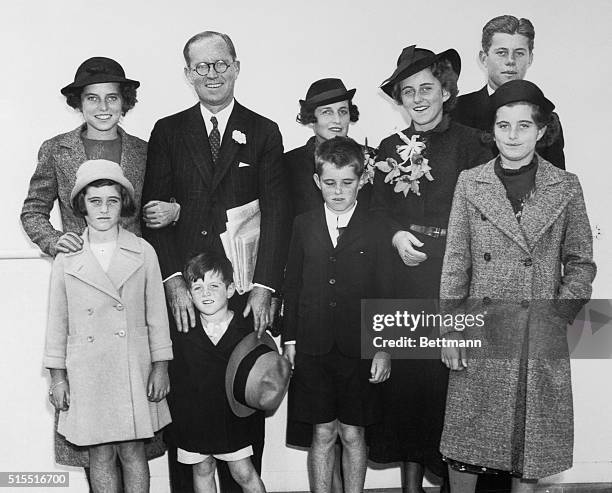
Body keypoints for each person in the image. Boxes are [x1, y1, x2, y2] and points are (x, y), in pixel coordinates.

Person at [141, 31, 290, 493]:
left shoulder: (264, 131)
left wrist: (265, 285)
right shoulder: (168, 131)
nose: (212, 74)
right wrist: (171, 280)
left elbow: (279, 213)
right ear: (188, 74)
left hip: (242, 296)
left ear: (237, 67)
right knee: (189, 410)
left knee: (243, 404)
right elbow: (153, 214)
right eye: (202, 66)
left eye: (221, 64)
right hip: (188, 296)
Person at [439, 79, 596, 493]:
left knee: (529, 452)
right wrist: (450, 327)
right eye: (504, 125)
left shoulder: (566, 185)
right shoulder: (470, 183)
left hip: (536, 334)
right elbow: (456, 262)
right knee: (466, 446)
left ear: (541, 132)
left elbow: (580, 262)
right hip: (479, 330)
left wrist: (556, 315)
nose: (513, 135)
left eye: (524, 126)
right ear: (492, 130)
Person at [20, 56, 167, 480]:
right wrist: (55, 241)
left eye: (112, 99)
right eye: (92, 99)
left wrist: (169, 210)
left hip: (130, 281)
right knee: (95, 440)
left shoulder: (143, 149)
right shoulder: (56, 148)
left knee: (133, 439)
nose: (103, 108)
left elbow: (157, 202)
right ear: (78, 104)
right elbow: (32, 210)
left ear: (126, 103)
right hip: (82, 279)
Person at [368, 46, 492, 493]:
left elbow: (485, 216)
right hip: (404, 280)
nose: (418, 98)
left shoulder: (474, 144)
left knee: (450, 392)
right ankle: (410, 487)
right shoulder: (388, 148)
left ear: (445, 90)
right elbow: (376, 211)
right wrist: (398, 236)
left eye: (427, 88)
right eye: (408, 92)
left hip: (455, 281)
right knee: (407, 396)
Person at [44, 160, 173, 492]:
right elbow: (57, 322)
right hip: (88, 369)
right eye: (95, 201)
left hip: (133, 366)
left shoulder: (143, 251)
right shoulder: (67, 257)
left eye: (112, 201)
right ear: (82, 207)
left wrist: (160, 367)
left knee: (133, 451)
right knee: (99, 454)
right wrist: (58, 378)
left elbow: (157, 315)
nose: (104, 209)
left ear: (123, 205)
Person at [283, 136, 392, 493]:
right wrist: (291, 338)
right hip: (314, 346)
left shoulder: (377, 227)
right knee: (323, 432)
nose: (339, 191)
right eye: (330, 183)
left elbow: (385, 289)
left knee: (353, 432)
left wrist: (383, 347)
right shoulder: (303, 224)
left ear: (360, 180)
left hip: (359, 346)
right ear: (317, 182)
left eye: (347, 182)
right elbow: (293, 284)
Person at [172, 251, 266, 493]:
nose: (206, 293)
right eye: (198, 287)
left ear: (231, 289)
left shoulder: (246, 330)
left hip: (232, 419)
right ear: (188, 293)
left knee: (244, 472)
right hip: (194, 418)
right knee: (202, 470)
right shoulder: (184, 330)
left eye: (214, 285)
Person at [451, 15, 566, 169]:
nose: (510, 61)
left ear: (530, 59)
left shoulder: (547, 118)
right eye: (502, 52)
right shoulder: (456, 111)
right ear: (484, 58)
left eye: (519, 53)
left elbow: (558, 184)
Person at [285, 78, 373, 219]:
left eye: (343, 111)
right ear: (311, 118)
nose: (337, 120)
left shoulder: (373, 158)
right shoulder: (288, 164)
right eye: (327, 112)